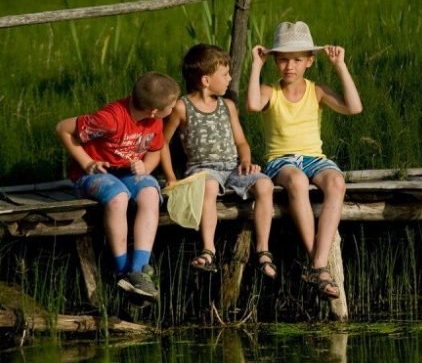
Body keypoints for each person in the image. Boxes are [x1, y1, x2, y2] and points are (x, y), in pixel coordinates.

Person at [246, 21, 363, 299]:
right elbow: (251, 105)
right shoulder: (269, 91)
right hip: (280, 160)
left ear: (310, 61)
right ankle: (319, 267)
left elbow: (354, 107)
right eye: (284, 60)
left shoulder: (317, 90)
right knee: (297, 181)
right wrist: (256, 65)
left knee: (336, 181)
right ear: (275, 60)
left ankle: (318, 264)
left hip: (314, 158)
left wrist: (340, 66)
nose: (290, 66)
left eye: (298, 60)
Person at [56, 71, 180, 304]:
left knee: (151, 193)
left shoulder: (155, 120)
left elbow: (154, 150)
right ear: (154, 109)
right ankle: (121, 268)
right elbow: (63, 128)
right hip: (92, 174)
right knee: (118, 197)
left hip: (127, 173)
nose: (172, 110)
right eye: (171, 107)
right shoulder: (110, 119)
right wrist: (87, 162)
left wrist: (145, 166)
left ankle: (139, 270)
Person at [160, 44, 277, 279]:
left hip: (233, 168)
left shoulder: (228, 106)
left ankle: (263, 251)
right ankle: (208, 250)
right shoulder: (183, 107)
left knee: (265, 184)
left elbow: (241, 142)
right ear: (205, 80)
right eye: (224, 74)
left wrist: (246, 161)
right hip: (202, 170)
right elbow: (161, 143)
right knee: (210, 186)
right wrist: (171, 177)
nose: (229, 79)